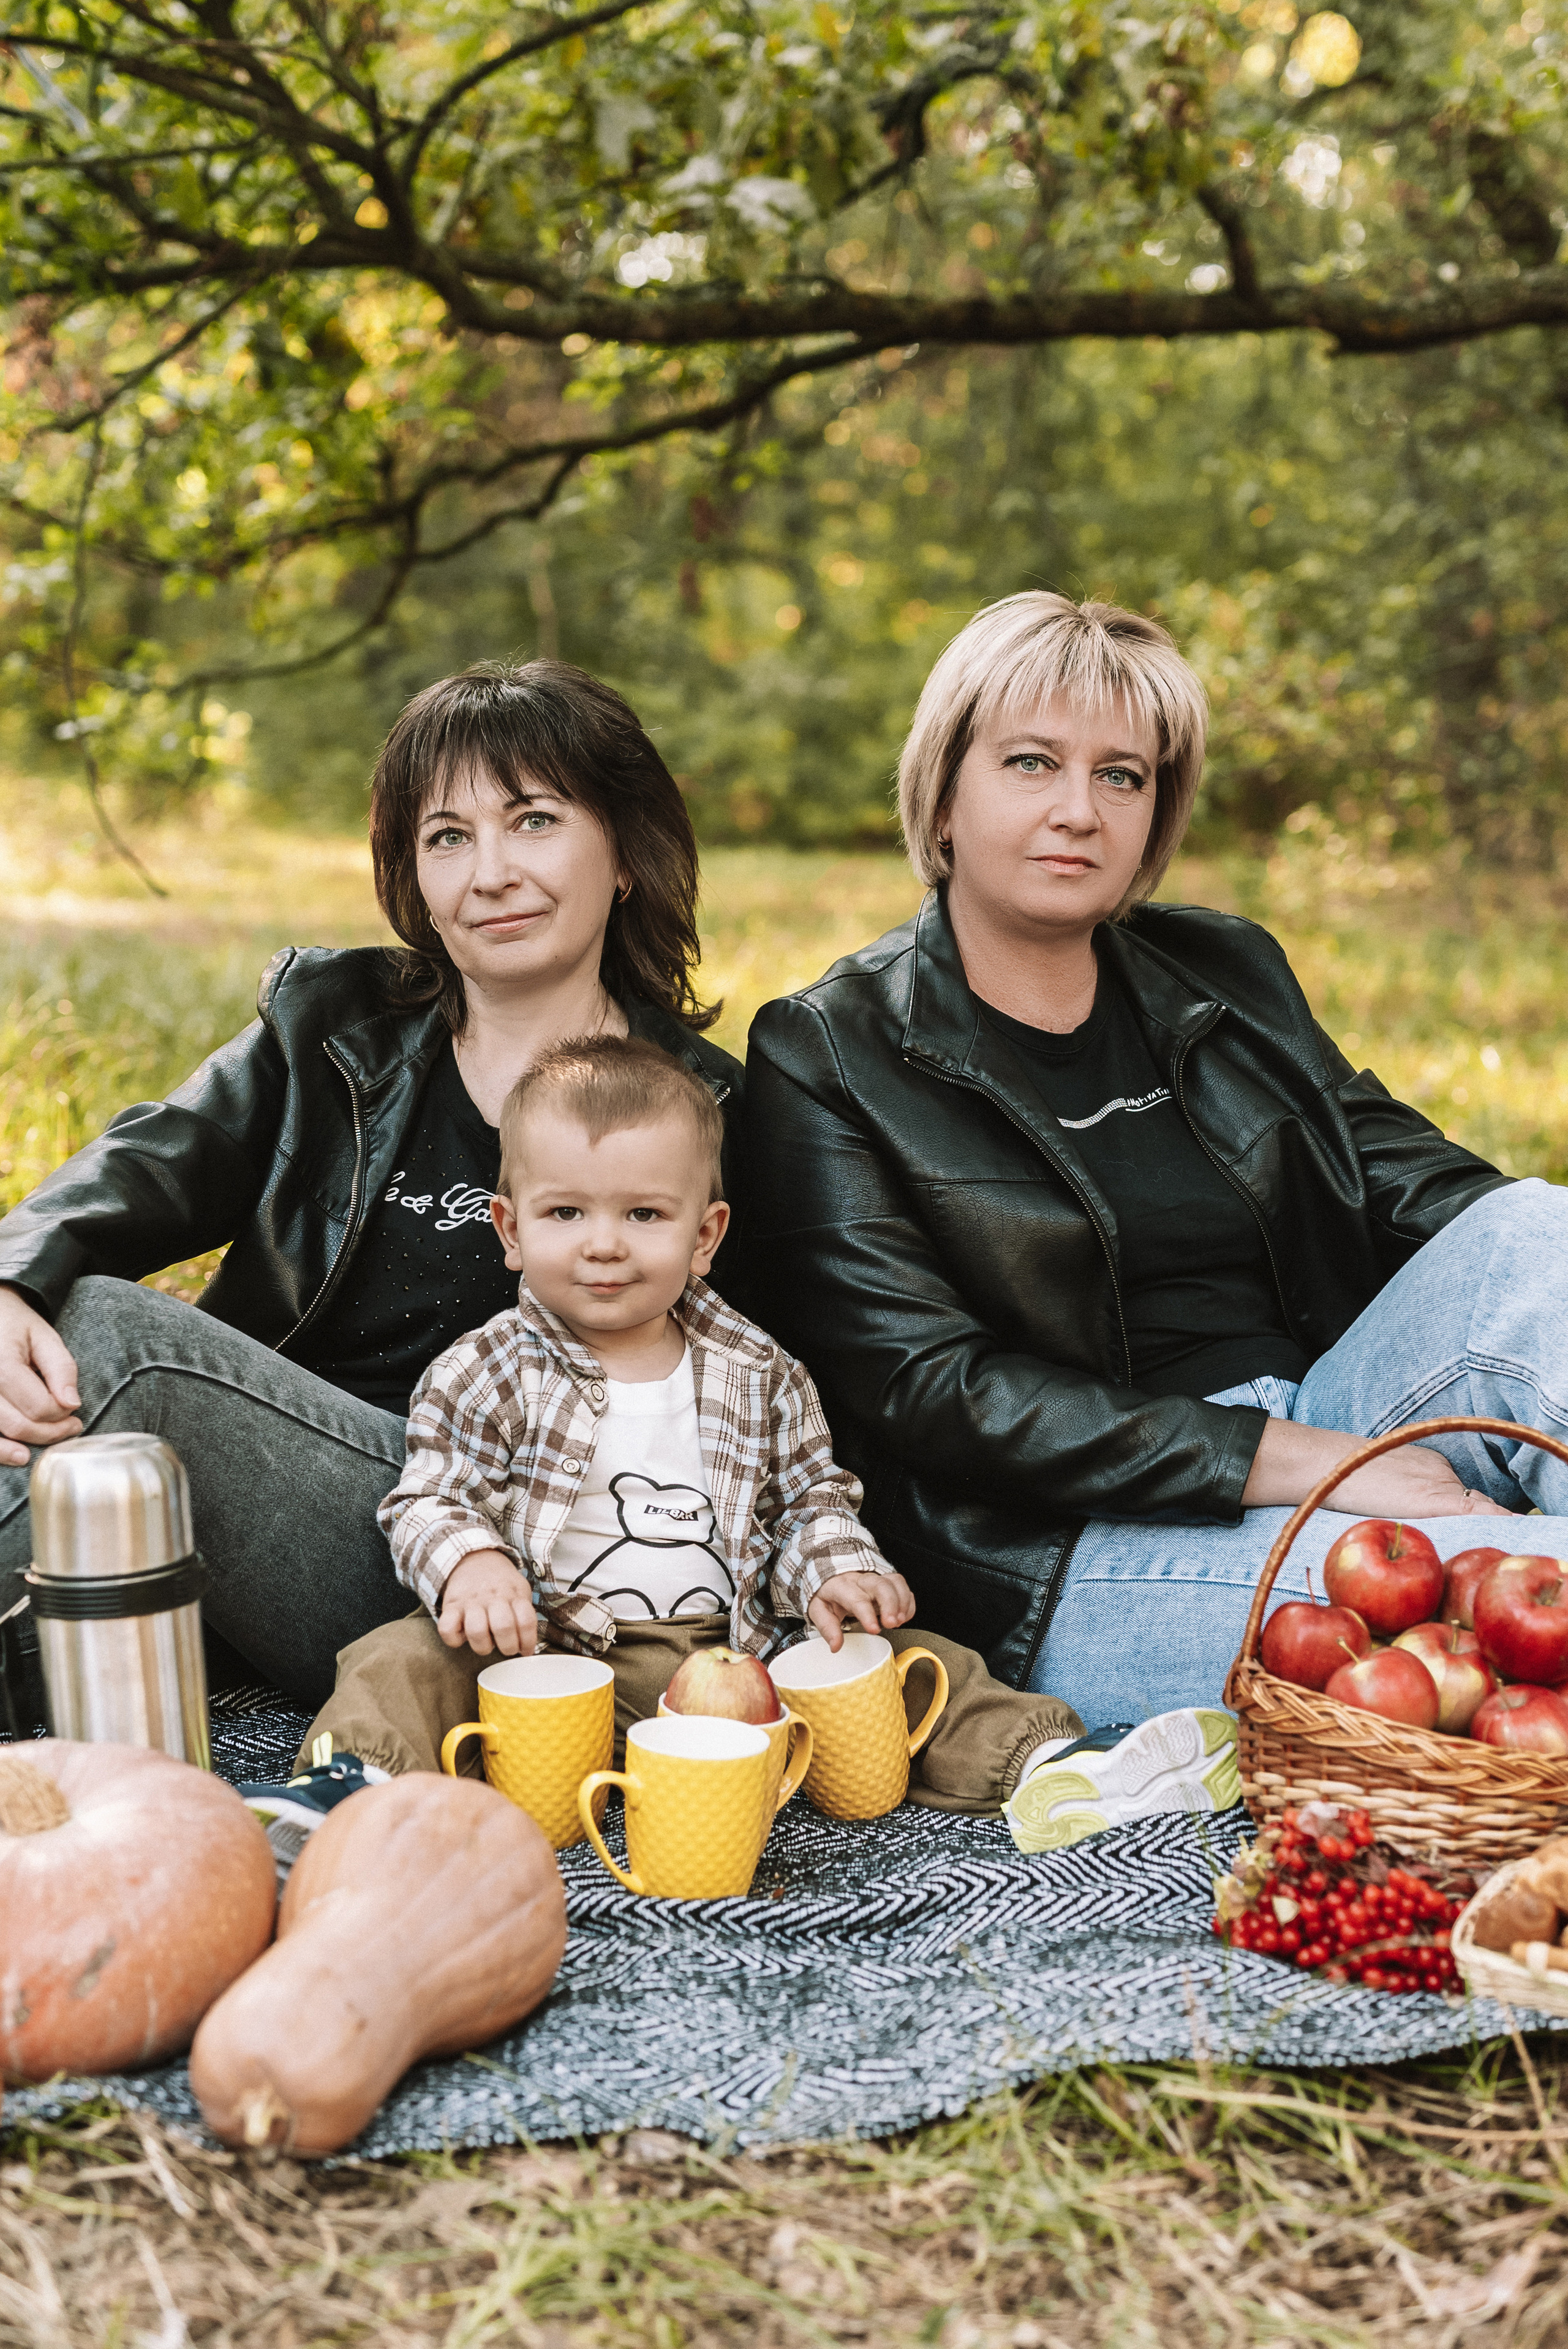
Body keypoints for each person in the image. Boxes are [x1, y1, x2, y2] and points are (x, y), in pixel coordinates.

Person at [742, 591, 1568, 1754]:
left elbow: (1420, 1187)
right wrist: (1322, 1472)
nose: (1078, 810)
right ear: (943, 792)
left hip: (1330, 1403)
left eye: (1122, 776)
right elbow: (934, 1389)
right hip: (1072, 1540)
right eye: (1032, 763)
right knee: (1539, 1576)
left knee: (1539, 1230)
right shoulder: (830, 1048)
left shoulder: (1222, 967)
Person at [0, 660, 746, 1712]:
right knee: (52, 1314)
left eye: (532, 820)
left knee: (126, 1347)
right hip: (277, 1510)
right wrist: (11, 1283)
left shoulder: (706, 1111)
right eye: (447, 837)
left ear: (623, 852)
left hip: (492, 1557)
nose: (489, 872)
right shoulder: (332, 1026)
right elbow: (143, 1165)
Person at [259, 1035, 1123, 1850]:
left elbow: (809, 1499)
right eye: (565, 1211)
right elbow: (432, 1494)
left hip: (740, 1654)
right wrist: (470, 1564)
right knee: (405, 1655)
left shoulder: (758, 1370)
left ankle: (1047, 1762)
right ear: (511, 1230)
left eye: (643, 1213)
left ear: (704, 1235)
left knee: (903, 1661)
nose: (604, 1243)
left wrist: (834, 1569)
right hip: (555, 1656)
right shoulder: (485, 1369)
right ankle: (351, 1786)